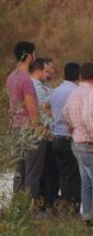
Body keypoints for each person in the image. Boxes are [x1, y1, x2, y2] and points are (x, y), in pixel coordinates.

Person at [63, 63, 93, 231]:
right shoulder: (91, 93)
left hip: (77, 142)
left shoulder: (74, 92)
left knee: (86, 182)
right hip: (89, 143)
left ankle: (87, 217)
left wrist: (71, 127)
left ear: (81, 76)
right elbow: (87, 116)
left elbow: (65, 112)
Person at [6, 41, 46, 208]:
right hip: (29, 130)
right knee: (32, 172)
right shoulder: (26, 79)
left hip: (17, 128)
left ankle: (17, 206)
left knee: (19, 172)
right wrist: (39, 130)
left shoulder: (11, 76)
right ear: (29, 56)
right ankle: (31, 208)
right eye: (34, 54)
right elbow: (31, 106)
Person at [47, 62, 81, 214]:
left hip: (56, 137)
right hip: (69, 138)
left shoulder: (57, 90)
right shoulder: (76, 91)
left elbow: (44, 105)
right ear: (79, 75)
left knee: (63, 174)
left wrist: (54, 117)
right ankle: (71, 209)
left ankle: (63, 209)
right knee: (73, 175)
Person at [30, 57, 59, 210]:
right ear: (39, 70)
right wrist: (48, 131)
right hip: (43, 134)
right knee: (42, 172)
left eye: (52, 70)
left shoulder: (46, 85)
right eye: (47, 70)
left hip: (50, 134)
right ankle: (40, 206)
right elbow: (42, 111)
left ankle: (48, 204)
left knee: (50, 171)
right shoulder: (35, 85)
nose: (51, 73)